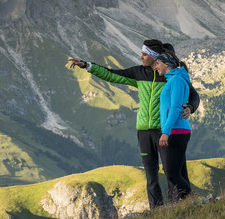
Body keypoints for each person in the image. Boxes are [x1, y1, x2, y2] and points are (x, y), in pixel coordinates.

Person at [68, 39, 198, 209]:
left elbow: (193, 95)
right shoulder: (139, 73)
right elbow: (113, 74)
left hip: (164, 129)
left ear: (155, 57)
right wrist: (87, 65)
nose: (141, 57)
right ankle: (156, 213)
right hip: (143, 131)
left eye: (145, 54)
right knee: (151, 177)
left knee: (172, 173)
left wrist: (190, 107)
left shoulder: (170, 75)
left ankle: (180, 209)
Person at [150, 47, 193, 202]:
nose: (155, 67)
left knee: (172, 174)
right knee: (178, 173)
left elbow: (175, 106)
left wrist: (165, 132)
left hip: (176, 131)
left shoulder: (176, 80)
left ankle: (193, 201)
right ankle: (189, 204)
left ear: (166, 64)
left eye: (157, 64)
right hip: (178, 130)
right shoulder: (175, 79)